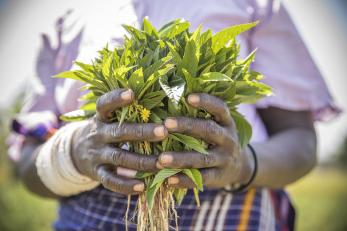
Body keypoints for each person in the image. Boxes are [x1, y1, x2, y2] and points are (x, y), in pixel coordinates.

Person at [8, 0, 340, 230]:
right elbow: (27, 163)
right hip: (89, 214)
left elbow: (300, 141)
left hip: (231, 210)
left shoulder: (254, 4)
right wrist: (72, 154)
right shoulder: (66, 13)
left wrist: (242, 163)